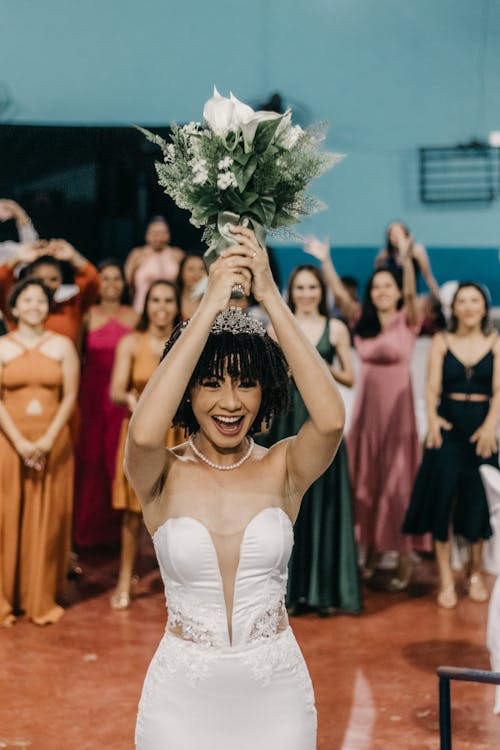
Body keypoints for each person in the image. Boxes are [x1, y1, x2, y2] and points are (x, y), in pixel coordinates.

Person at [126, 226, 345, 749]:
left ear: (265, 391)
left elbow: (332, 421)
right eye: (212, 382)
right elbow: (143, 431)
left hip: (277, 701)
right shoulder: (161, 473)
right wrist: (209, 304)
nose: (231, 402)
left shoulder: (284, 468)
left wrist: (269, 293)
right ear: (188, 390)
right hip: (180, 701)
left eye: (246, 383)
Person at [260, 264, 361, 615]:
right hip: (286, 421)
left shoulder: (336, 329)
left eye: (312, 287)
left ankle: (322, 591)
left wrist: (317, 364)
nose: (306, 294)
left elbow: (349, 377)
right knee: (286, 506)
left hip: (320, 421)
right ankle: (287, 592)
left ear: (322, 291)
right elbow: (267, 382)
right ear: (291, 291)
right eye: (300, 287)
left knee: (323, 504)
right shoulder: (275, 328)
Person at [403, 282, 500, 608]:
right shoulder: (442, 340)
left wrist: (490, 427)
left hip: (481, 429)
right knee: (441, 502)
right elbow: (431, 387)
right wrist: (432, 421)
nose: (469, 307)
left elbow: (499, 391)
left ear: (484, 307)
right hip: (447, 425)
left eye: (475, 301)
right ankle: (445, 578)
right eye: (463, 301)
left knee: (477, 504)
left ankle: (473, 574)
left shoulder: (496, 341)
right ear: (453, 308)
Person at [0, 278, 79, 626]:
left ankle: (39, 595)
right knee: (5, 519)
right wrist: (19, 442)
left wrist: (47, 440)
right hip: (8, 442)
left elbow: (70, 397)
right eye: (27, 300)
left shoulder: (63, 346)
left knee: (47, 520)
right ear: (13, 308)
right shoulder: (2, 346)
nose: (34, 306)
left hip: (53, 442)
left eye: (41, 300)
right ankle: (6, 598)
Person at [347, 239, 423, 589]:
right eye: (375, 287)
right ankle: (374, 552)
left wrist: (406, 262)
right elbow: (339, 296)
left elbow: (411, 292)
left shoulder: (408, 318)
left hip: (398, 417)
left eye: (387, 286)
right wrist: (326, 263)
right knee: (368, 483)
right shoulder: (362, 322)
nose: (381, 291)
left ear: (396, 291)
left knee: (399, 486)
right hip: (367, 416)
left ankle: (404, 558)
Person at [109, 280, 184, 609]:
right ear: (146, 303)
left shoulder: (185, 342)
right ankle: (125, 578)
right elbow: (115, 390)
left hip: (176, 434)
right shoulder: (131, 342)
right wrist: (136, 404)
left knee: (179, 512)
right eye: (155, 300)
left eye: (168, 300)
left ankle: (179, 584)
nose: (162, 306)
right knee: (131, 512)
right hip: (139, 434)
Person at [73, 260, 138, 548]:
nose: (112, 284)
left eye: (117, 278)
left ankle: (117, 535)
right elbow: (76, 355)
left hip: (122, 398)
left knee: (118, 459)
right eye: (106, 279)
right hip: (91, 395)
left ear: (124, 284)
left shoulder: (135, 316)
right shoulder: (86, 315)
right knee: (90, 458)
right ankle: (86, 532)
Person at [0, 239, 99, 347]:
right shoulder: (18, 309)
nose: (46, 285)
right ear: (28, 278)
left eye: (53, 279)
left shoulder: (72, 308)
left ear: (61, 280)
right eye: (40, 279)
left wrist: (74, 257)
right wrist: (17, 258)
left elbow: (92, 281)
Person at [125, 217, 185, 313]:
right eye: (154, 233)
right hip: (141, 309)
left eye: (162, 233)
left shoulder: (177, 255)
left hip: (173, 309)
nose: (158, 236)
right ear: (147, 235)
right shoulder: (137, 255)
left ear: (168, 235)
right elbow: (128, 284)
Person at [375, 221, 440, 299]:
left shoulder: (417, 251)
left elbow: (428, 276)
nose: (395, 237)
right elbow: (378, 271)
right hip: (393, 297)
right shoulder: (386, 253)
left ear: (406, 235)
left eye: (398, 233)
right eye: (392, 234)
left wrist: (439, 298)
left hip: (411, 295)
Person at [0, 199, 38, 264]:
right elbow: (30, 248)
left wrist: (18, 212)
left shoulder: (5, 250)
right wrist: (18, 211)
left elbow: (31, 248)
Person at [177, 253, 207, 319]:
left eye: (202, 269)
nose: (197, 274)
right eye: (191, 269)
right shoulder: (172, 300)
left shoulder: (213, 302)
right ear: (181, 273)